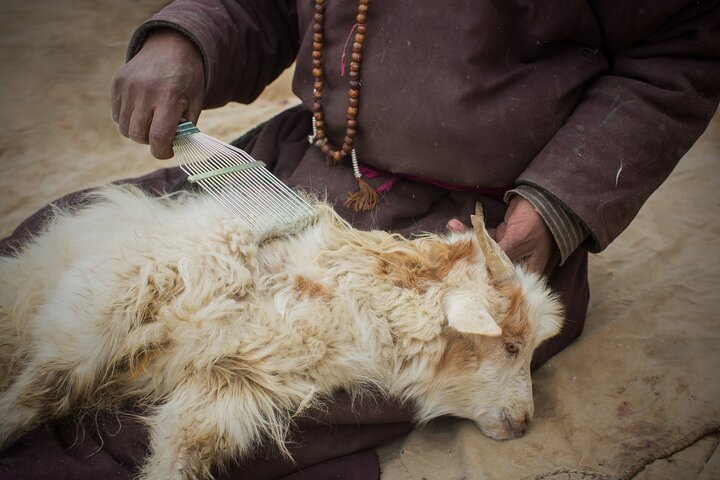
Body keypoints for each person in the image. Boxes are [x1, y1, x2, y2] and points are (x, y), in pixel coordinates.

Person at [2, 1, 718, 479]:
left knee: (201, 408)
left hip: (478, 236)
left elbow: (681, 47)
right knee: (58, 252)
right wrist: (186, 35)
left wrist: (558, 205)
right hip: (304, 169)